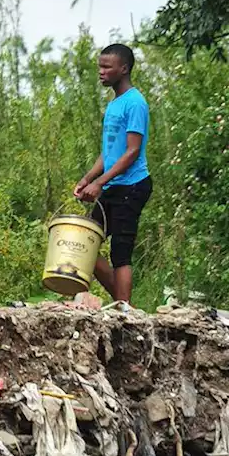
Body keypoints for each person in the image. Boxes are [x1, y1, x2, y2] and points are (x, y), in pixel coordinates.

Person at [75, 43, 151, 304]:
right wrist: (87, 179)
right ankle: (121, 303)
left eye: (107, 67)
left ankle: (124, 311)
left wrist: (100, 183)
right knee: (87, 242)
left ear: (124, 68)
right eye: (100, 66)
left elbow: (131, 152)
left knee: (121, 251)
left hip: (132, 186)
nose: (101, 72)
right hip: (113, 185)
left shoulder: (135, 103)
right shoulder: (115, 104)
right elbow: (109, 154)